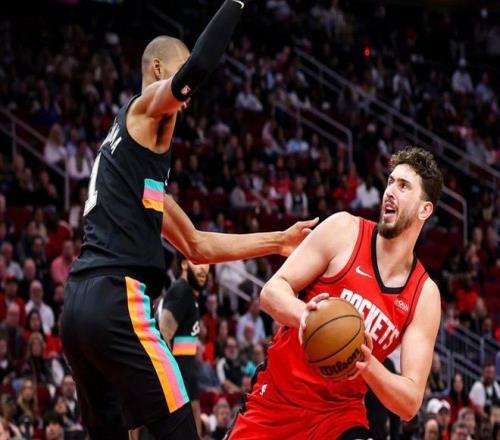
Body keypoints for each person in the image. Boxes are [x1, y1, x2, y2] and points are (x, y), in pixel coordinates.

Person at [61, 1, 316, 438]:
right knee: (180, 430)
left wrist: (279, 240)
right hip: (116, 297)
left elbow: (197, 245)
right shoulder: (144, 109)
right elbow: (197, 67)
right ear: (159, 69)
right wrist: (236, 3)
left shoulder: (130, 164)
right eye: (178, 76)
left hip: (78, 309)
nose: (187, 98)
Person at [230, 147, 444, 439]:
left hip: (338, 416)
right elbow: (271, 293)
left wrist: (368, 365)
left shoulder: (424, 295)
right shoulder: (344, 230)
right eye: (390, 181)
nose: (390, 192)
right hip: (276, 402)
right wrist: (305, 315)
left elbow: (409, 403)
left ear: (424, 210)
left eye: (404, 186)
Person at [159, 254, 209, 436]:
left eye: (207, 263)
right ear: (184, 264)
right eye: (198, 262)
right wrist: (173, 383)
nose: (203, 268)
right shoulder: (182, 291)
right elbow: (163, 333)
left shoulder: (189, 294)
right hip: (177, 385)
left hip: (186, 379)